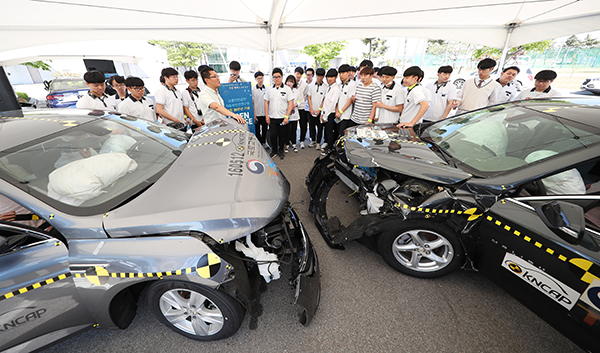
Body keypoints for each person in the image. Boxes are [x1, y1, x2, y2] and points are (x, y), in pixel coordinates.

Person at [264, 68, 294, 160]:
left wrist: (286, 116)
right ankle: (274, 150)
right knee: (273, 135)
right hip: (272, 117)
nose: (276, 79)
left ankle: (281, 150)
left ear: (282, 77)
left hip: (283, 117)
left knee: (282, 135)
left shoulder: (287, 89)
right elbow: (266, 102)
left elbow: (291, 103)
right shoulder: (269, 89)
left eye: (278, 77)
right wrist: (266, 116)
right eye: (274, 77)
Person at [320, 69, 341, 154]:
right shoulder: (329, 87)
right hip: (326, 112)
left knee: (330, 132)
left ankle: (329, 149)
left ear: (336, 77)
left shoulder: (336, 89)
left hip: (331, 113)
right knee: (327, 131)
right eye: (328, 77)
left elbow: (333, 103)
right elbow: (325, 101)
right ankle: (328, 147)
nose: (329, 79)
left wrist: (325, 116)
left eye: (332, 77)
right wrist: (322, 113)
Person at [307, 68, 327, 149]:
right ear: (315, 76)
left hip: (320, 111)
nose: (319, 78)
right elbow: (309, 98)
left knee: (320, 127)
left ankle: (318, 142)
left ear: (323, 77)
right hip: (311, 110)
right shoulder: (310, 86)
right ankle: (313, 141)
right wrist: (311, 109)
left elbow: (324, 99)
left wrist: (319, 110)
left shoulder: (326, 87)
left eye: (321, 76)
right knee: (311, 127)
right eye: (318, 76)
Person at [336, 64, 357, 134]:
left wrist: (340, 112)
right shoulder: (339, 85)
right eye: (340, 73)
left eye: (343, 73)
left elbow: (350, 100)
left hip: (346, 116)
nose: (341, 75)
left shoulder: (353, 84)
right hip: (337, 115)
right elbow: (336, 100)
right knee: (336, 134)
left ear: (349, 73)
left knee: (342, 135)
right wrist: (337, 112)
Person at [295, 67, 309, 149]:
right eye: (297, 73)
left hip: (302, 107)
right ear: (294, 73)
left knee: (303, 125)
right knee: (292, 125)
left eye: (300, 74)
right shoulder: (290, 83)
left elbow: (305, 96)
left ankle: (302, 140)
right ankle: (291, 140)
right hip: (292, 107)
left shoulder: (304, 84)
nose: (298, 75)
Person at [285, 75, 301, 152]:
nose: (289, 83)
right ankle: (287, 144)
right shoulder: (284, 90)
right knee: (287, 130)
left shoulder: (297, 91)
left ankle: (294, 144)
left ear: (294, 83)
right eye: (288, 81)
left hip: (294, 113)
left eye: (291, 82)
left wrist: (295, 104)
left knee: (294, 130)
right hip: (286, 113)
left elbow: (299, 101)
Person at [252, 71, 268, 147]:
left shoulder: (267, 89)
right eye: (258, 78)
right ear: (255, 79)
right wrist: (254, 115)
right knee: (257, 130)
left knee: (265, 129)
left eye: (261, 78)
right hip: (257, 113)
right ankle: (259, 143)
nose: (260, 80)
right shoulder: (253, 90)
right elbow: (252, 102)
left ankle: (264, 142)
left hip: (265, 113)